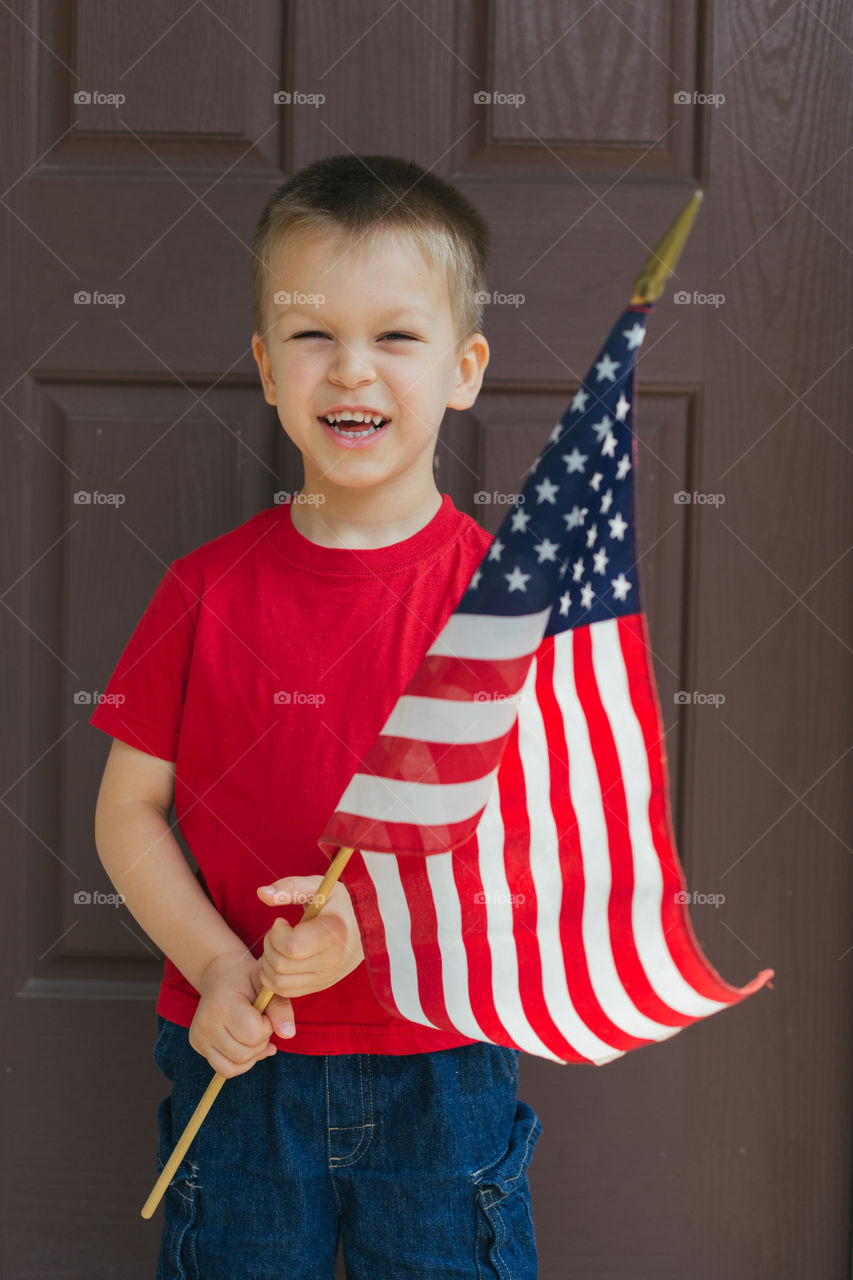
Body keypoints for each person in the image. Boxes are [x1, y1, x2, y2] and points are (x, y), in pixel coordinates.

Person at [90, 152, 541, 1279]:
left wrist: (372, 933)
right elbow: (129, 812)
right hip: (241, 1061)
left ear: (465, 366)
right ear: (264, 365)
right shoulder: (204, 592)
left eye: (395, 335)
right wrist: (211, 964)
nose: (351, 368)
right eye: (310, 333)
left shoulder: (508, 614)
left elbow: (541, 850)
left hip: (444, 1060)